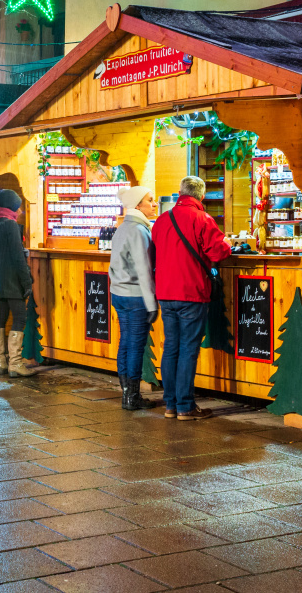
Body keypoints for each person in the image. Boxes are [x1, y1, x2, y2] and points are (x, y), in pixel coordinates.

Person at [151, 175, 231, 421]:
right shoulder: (202, 219)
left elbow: (154, 252)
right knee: (188, 349)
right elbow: (218, 250)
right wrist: (227, 243)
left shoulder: (162, 220)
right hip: (192, 292)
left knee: (171, 348)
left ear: (180, 192)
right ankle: (185, 406)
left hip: (165, 292)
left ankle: (170, 405)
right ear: (202, 195)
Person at [109, 185, 159, 411]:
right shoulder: (139, 231)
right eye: (150, 200)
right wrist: (152, 304)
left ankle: (126, 393)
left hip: (119, 293)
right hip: (136, 296)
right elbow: (144, 270)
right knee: (136, 345)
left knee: (126, 342)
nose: (154, 204)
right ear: (138, 205)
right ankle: (132, 396)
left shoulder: (122, 228)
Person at [0, 189, 35, 378]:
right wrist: (27, 282)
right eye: (17, 208)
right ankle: (15, 363)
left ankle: (2, 361)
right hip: (12, 279)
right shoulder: (9, 225)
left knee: (0, 316)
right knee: (20, 316)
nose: (19, 212)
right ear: (10, 206)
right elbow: (18, 258)